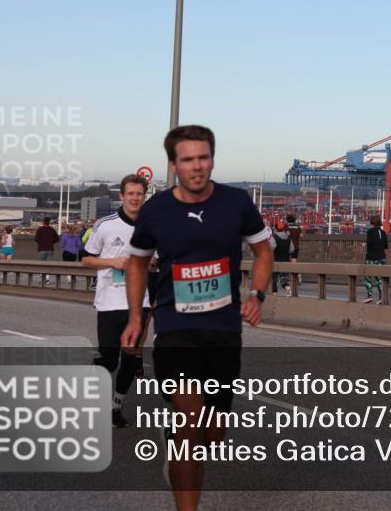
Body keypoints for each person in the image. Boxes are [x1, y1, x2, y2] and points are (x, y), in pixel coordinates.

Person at [121, 125, 273, 510]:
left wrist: (256, 294)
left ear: (212, 159)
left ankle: (176, 455)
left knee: (212, 433)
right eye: (187, 159)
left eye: (203, 157)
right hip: (175, 327)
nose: (197, 166)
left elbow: (264, 250)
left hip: (223, 329)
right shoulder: (156, 210)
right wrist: (137, 319)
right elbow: (137, 263)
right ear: (173, 165)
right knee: (190, 422)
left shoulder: (236, 202)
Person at [81, 174, 153, 428]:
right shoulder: (106, 225)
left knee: (131, 358)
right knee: (110, 359)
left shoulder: (152, 225)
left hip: (139, 301)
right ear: (121, 196)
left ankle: (115, 406)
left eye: (139, 194)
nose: (135, 198)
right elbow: (85, 259)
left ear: (145, 196)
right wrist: (111, 261)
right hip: (110, 300)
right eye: (130, 193)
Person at [364, 215, 388, 304]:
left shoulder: (370, 232)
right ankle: (381, 297)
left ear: (372, 223)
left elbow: (369, 244)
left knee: (368, 276)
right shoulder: (383, 233)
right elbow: (385, 246)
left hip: (371, 257)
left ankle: (369, 295)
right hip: (381, 257)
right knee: (380, 278)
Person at [270, 221, 295, 294]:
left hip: (275, 261)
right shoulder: (288, 239)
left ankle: (274, 296)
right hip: (285, 261)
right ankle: (289, 289)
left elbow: (272, 247)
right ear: (283, 229)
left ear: (276, 229)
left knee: (273, 280)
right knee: (284, 281)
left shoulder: (274, 237)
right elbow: (292, 250)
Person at [285, 213, 303, 284]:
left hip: (288, 246)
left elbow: (287, 234)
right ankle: (298, 275)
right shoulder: (297, 226)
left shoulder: (287, 226)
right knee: (294, 261)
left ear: (287, 220)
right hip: (296, 246)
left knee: (285, 261)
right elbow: (301, 235)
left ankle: (285, 279)